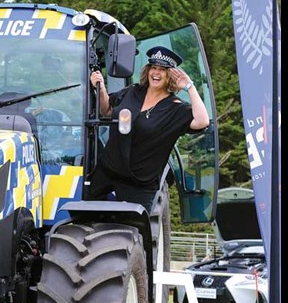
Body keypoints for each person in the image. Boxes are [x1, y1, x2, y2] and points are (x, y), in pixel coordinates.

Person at [87, 45, 210, 211]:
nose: (156, 73)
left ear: (170, 75)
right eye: (153, 67)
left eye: (163, 69)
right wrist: (100, 87)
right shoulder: (133, 91)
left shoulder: (176, 109)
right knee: (84, 219)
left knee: (134, 232)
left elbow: (202, 121)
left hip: (139, 184)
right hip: (107, 172)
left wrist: (189, 87)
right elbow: (107, 111)